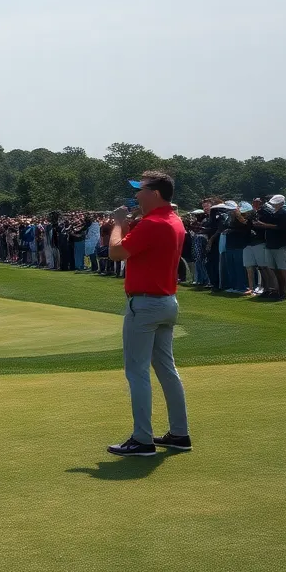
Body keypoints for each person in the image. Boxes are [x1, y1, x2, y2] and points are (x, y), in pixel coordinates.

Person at [106, 172, 190, 457]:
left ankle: (142, 439)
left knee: (137, 371)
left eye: (140, 190)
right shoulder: (172, 220)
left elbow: (116, 252)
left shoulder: (153, 223)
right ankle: (179, 433)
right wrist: (132, 223)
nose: (136, 195)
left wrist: (119, 224)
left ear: (154, 194)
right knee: (166, 369)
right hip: (166, 301)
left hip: (145, 305)